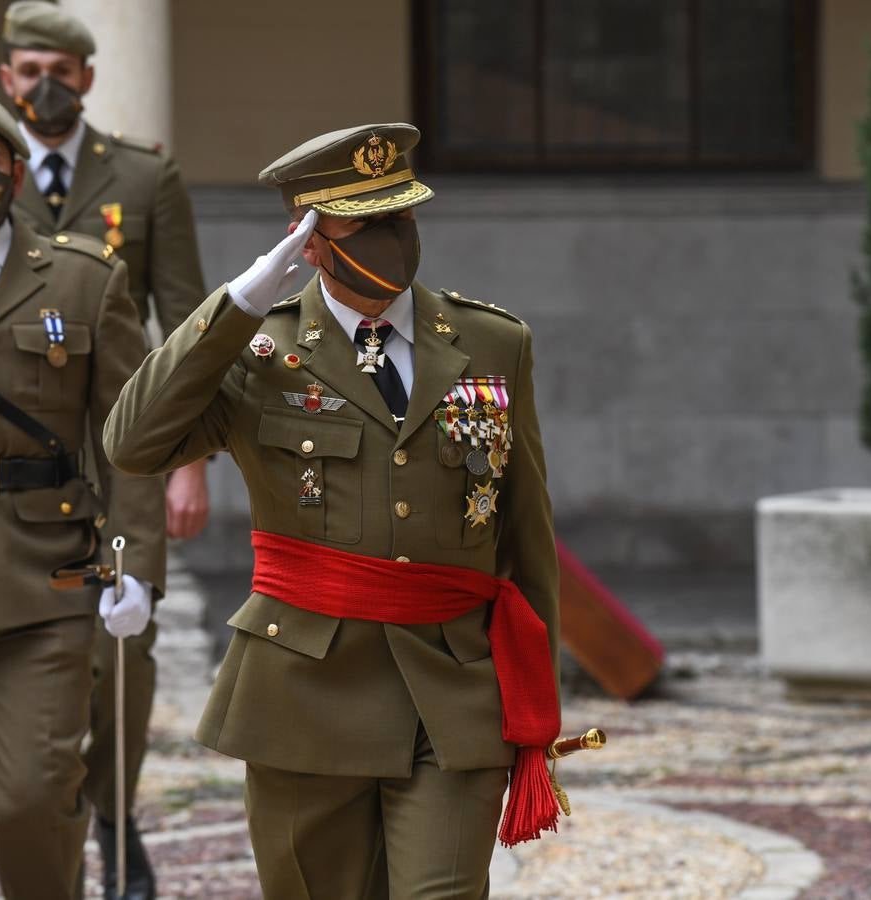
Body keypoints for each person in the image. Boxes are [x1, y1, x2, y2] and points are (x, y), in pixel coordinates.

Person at [104, 123, 561, 898]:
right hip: (303, 692)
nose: (391, 239)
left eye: (401, 218)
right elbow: (133, 442)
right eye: (366, 224)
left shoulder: (490, 341)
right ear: (311, 240)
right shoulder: (257, 352)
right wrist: (241, 302)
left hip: (451, 686)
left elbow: (527, 530)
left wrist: (534, 698)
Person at [0, 84, 164, 900]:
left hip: (48, 574)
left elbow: (129, 436)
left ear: (18, 176)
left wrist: (133, 563)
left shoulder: (84, 280)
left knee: (33, 796)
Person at [0, 4, 208, 893]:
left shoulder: (144, 175)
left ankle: (119, 822)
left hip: (126, 451)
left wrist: (189, 458)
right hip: (14, 456)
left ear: (87, 77)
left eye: (62, 67)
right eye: (28, 66)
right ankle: (50, 823)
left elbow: (189, 321)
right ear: (8, 78)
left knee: (122, 650)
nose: (45, 82)